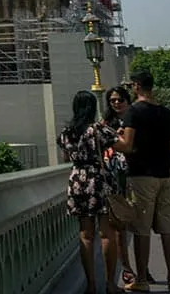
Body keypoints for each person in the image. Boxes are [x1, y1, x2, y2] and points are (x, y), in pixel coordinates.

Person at [115, 70, 170, 292]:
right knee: (167, 229)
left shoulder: (134, 112)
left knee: (141, 229)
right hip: (164, 175)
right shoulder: (166, 112)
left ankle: (142, 279)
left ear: (136, 86)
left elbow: (126, 144)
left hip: (142, 174)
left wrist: (109, 139)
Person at [59, 89, 121, 294]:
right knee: (106, 234)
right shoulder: (98, 130)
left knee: (86, 235)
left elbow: (66, 157)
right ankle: (110, 283)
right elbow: (121, 146)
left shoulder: (66, 133)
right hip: (98, 179)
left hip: (77, 180)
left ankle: (91, 284)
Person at [104, 85, 155, 290]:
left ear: (127, 100)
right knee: (119, 226)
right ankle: (126, 268)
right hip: (115, 177)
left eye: (120, 99)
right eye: (113, 100)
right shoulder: (106, 124)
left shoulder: (137, 119)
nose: (116, 103)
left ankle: (143, 268)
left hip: (138, 174)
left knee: (141, 223)